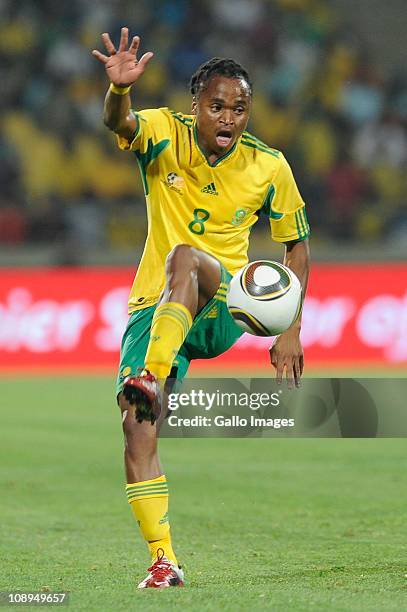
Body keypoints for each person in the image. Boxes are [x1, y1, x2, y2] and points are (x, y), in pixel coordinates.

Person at [92, 27, 310, 589]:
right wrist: (119, 92)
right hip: (155, 306)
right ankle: (163, 561)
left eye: (240, 108)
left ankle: (150, 375)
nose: (230, 118)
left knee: (187, 257)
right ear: (196, 106)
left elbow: (297, 246)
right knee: (136, 429)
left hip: (220, 302)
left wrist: (291, 325)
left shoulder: (270, 166)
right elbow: (121, 123)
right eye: (217, 105)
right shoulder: (165, 131)